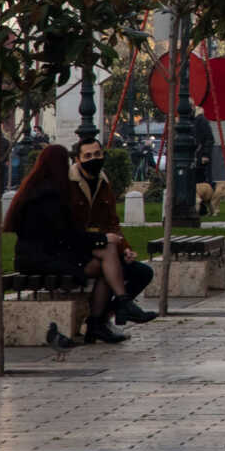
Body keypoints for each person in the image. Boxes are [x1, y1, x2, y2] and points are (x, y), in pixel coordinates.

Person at [4, 143, 129, 344]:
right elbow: (66, 235)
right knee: (105, 263)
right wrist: (103, 239)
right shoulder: (48, 196)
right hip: (41, 260)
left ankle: (114, 310)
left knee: (106, 257)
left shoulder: (35, 189)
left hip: (42, 254)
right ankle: (107, 314)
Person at [73, 139, 156, 324]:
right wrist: (101, 239)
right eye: (87, 156)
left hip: (104, 248)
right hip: (78, 251)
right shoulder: (70, 185)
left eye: (97, 154)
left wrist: (125, 248)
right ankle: (104, 318)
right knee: (108, 268)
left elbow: (112, 222)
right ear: (77, 160)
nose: (93, 159)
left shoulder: (103, 182)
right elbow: (70, 230)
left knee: (143, 273)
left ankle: (117, 310)